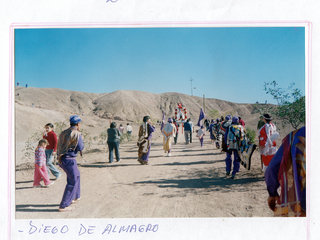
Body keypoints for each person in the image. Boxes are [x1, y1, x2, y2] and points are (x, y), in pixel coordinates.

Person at [265, 126, 305, 217]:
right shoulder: (272, 125)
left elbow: (272, 168)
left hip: (303, 201)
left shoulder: (296, 136)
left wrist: (272, 192)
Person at [57, 115, 84, 212]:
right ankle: (63, 206)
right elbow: (80, 147)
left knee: (76, 176)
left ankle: (75, 197)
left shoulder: (64, 132)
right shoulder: (77, 133)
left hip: (62, 159)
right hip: (69, 160)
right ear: (78, 124)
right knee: (72, 181)